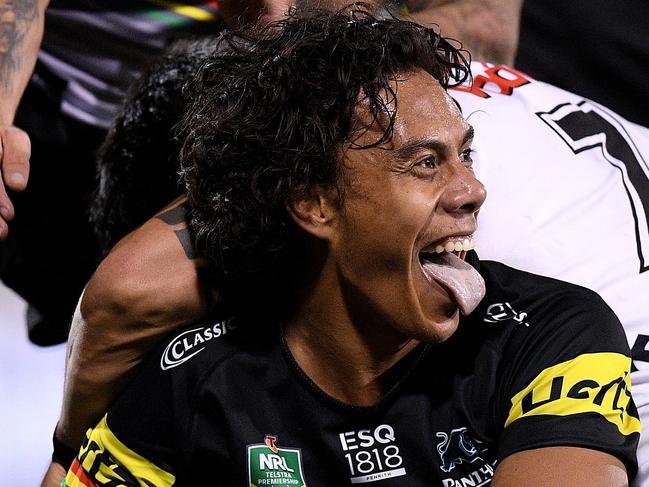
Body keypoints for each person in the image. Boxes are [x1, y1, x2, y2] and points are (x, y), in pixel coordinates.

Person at [56, 7, 638, 486]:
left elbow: (125, 294)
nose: (472, 190)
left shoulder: (543, 313)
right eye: (429, 163)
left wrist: (65, 450)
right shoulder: (409, 89)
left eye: (463, 155)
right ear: (308, 206)